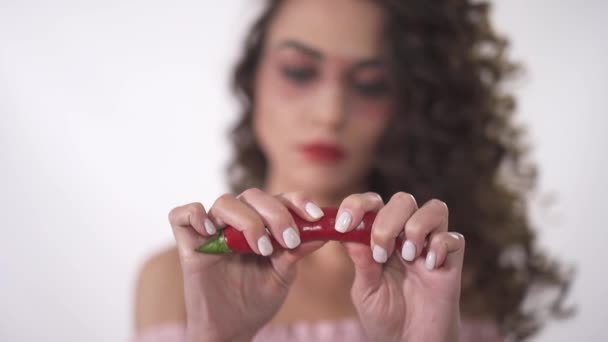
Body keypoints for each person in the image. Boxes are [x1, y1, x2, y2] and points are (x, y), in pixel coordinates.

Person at [133, 0, 571, 341]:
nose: (330, 113)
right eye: (299, 71)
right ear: (252, 80)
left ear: (407, 106)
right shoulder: (172, 280)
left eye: (370, 84)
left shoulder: (455, 285)